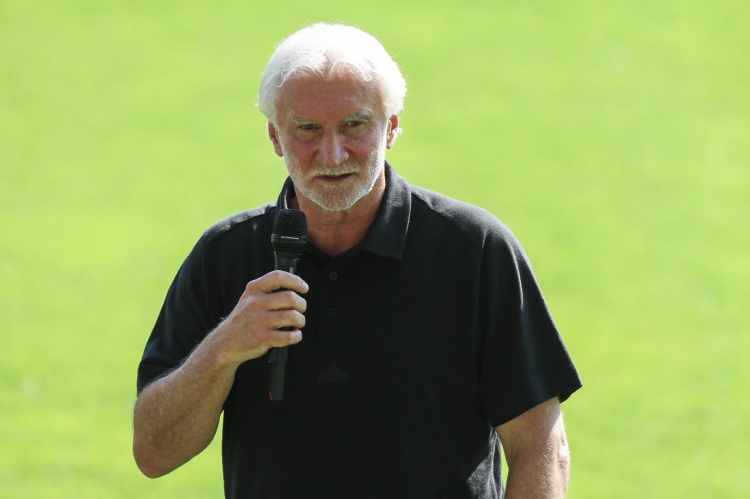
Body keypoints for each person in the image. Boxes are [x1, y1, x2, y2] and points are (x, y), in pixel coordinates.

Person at [133, 23, 582, 498]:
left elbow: (540, 446)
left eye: (354, 124)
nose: (332, 154)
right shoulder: (223, 256)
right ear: (275, 136)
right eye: (307, 128)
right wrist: (223, 348)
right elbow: (155, 453)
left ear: (391, 128)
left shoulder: (475, 250)